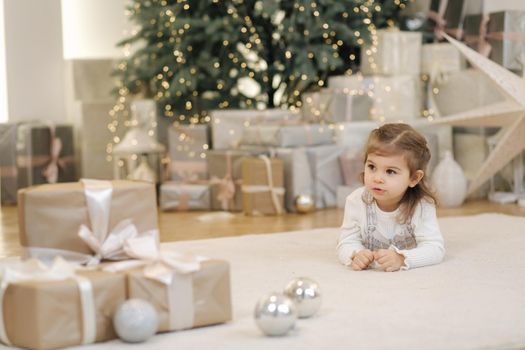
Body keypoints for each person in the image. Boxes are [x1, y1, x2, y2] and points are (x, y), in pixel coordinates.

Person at [337, 123, 445, 272]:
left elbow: (435, 248)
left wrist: (402, 259)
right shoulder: (356, 201)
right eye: (372, 167)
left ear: (414, 178)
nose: (377, 178)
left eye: (390, 171)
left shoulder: (422, 205)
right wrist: (355, 254)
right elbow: (346, 242)